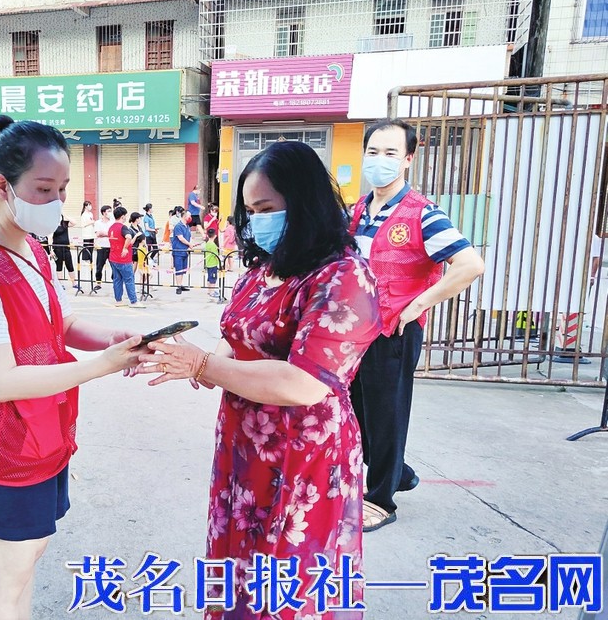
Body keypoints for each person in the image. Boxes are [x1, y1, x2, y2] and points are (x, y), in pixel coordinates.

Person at [137, 140, 383, 620]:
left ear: (306, 202)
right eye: (250, 212)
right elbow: (237, 342)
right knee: (240, 563)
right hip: (244, 444)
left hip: (304, 452)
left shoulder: (343, 276)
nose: (257, 222)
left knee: (290, 572)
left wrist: (203, 365)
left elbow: (303, 383)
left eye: (267, 209)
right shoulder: (263, 271)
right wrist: (182, 357)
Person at [0, 116, 146, 620]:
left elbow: (63, 322)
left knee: (27, 561)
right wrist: (102, 365)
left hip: (41, 436)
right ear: (3, 187)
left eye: (63, 188)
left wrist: (112, 338)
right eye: (43, 188)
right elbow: (1, 381)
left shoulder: (32, 249)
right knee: (2, 583)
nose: (57, 201)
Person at [349, 118, 484, 532]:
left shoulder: (423, 214)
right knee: (355, 412)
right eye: (373, 151)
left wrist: (418, 305)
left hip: (394, 332)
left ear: (408, 159)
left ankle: (381, 499)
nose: (380, 160)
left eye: (391, 153)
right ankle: (399, 472)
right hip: (355, 331)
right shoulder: (358, 210)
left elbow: (470, 264)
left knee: (386, 415)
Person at [107, 207, 146, 308]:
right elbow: (128, 237)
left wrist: (133, 238)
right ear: (123, 216)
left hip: (113, 258)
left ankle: (118, 300)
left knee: (117, 280)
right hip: (123, 259)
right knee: (129, 280)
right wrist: (124, 248)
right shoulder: (123, 227)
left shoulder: (111, 228)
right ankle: (134, 301)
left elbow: (127, 241)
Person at [51, 216, 81, 293]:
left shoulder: (65, 223)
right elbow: (50, 237)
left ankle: (74, 283)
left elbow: (74, 223)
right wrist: (51, 250)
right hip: (57, 248)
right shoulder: (53, 225)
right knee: (59, 266)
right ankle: (61, 284)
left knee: (70, 265)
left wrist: (65, 215)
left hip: (66, 247)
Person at [170, 209, 192, 294]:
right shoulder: (178, 226)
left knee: (182, 269)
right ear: (185, 216)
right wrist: (189, 244)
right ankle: (178, 286)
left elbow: (189, 237)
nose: (190, 217)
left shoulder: (187, 226)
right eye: (189, 216)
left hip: (185, 251)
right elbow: (181, 238)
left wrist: (190, 244)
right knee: (178, 269)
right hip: (178, 250)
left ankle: (181, 284)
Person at [93, 204, 113, 292]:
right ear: (104, 213)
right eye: (109, 211)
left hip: (111, 246)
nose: (110, 213)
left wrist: (104, 234)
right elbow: (98, 234)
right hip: (101, 246)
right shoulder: (98, 223)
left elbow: (112, 234)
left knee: (114, 265)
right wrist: (107, 234)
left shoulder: (112, 222)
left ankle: (114, 280)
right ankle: (98, 283)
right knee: (99, 266)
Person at [203, 227, 220, 299]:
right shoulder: (213, 245)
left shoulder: (207, 243)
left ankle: (209, 290)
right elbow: (215, 255)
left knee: (209, 278)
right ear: (215, 235)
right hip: (213, 263)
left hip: (208, 263)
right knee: (213, 278)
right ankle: (212, 292)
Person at [79, 200, 95, 266]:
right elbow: (83, 224)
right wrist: (90, 222)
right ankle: (85, 260)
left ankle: (90, 259)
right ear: (86, 206)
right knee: (86, 247)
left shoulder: (91, 214)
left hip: (91, 233)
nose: (90, 207)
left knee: (91, 247)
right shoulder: (84, 215)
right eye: (89, 205)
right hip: (86, 233)